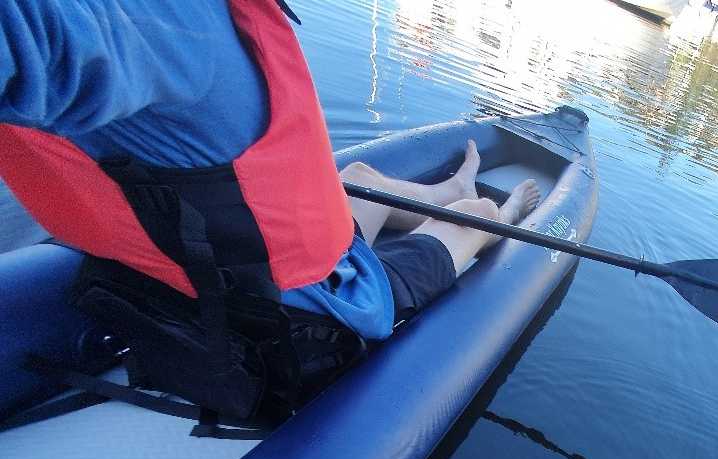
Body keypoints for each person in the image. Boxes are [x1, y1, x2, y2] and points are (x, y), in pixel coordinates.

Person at [0, 0, 539, 421]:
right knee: (473, 215)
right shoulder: (165, 23)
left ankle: (449, 188)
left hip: (191, 258)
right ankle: (505, 213)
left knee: (359, 179)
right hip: (313, 305)